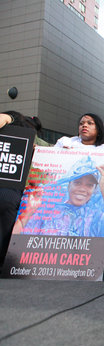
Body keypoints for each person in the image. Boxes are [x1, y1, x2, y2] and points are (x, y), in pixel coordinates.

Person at [13, 156, 104, 237]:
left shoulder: (94, 216)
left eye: (89, 185)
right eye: (78, 183)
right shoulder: (48, 210)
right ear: (69, 185)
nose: (83, 189)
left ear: (94, 190)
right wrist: (29, 211)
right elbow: (17, 240)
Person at [0, 111, 43, 265]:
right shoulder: (8, 121)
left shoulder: (38, 148)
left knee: (9, 199)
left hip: (13, 191)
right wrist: (9, 118)